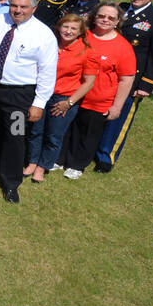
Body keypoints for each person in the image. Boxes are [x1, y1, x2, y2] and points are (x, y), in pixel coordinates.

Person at [0, 0, 58, 203]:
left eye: (23, 7)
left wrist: (39, 103)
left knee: (15, 136)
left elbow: (48, 72)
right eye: (14, 6)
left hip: (19, 95)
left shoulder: (43, 34)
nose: (17, 11)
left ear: (34, 8)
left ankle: (10, 182)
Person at [96, 0, 153, 170]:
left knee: (119, 118)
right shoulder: (119, 10)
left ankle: (106, 157)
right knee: (99, 112)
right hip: (107, 75)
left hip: (133, 80)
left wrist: (147, 84)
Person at [61, 2, 138, 180]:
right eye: (102, 16)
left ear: (118, 21)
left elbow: (126, 79)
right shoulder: (82, 36)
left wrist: (117, 106)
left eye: (111, 18)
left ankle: (77, 164)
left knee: (87, 134)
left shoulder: (123, 47)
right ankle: (60, 157)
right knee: (66, 128)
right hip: (71, 93)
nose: (105, 20)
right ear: (94, 16)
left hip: (98, 100)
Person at [24, 14, 96, 185]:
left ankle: (42, 167)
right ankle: (32, 162)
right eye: (65, 27)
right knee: (35, 131)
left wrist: (69, 102)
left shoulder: (86, 52)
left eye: (73, 29)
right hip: (42, 94)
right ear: (59, 27)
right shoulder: (49, 44)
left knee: (53, 136)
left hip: (63, 99)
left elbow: (89, 82)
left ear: (80, 32)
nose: (68, 31)